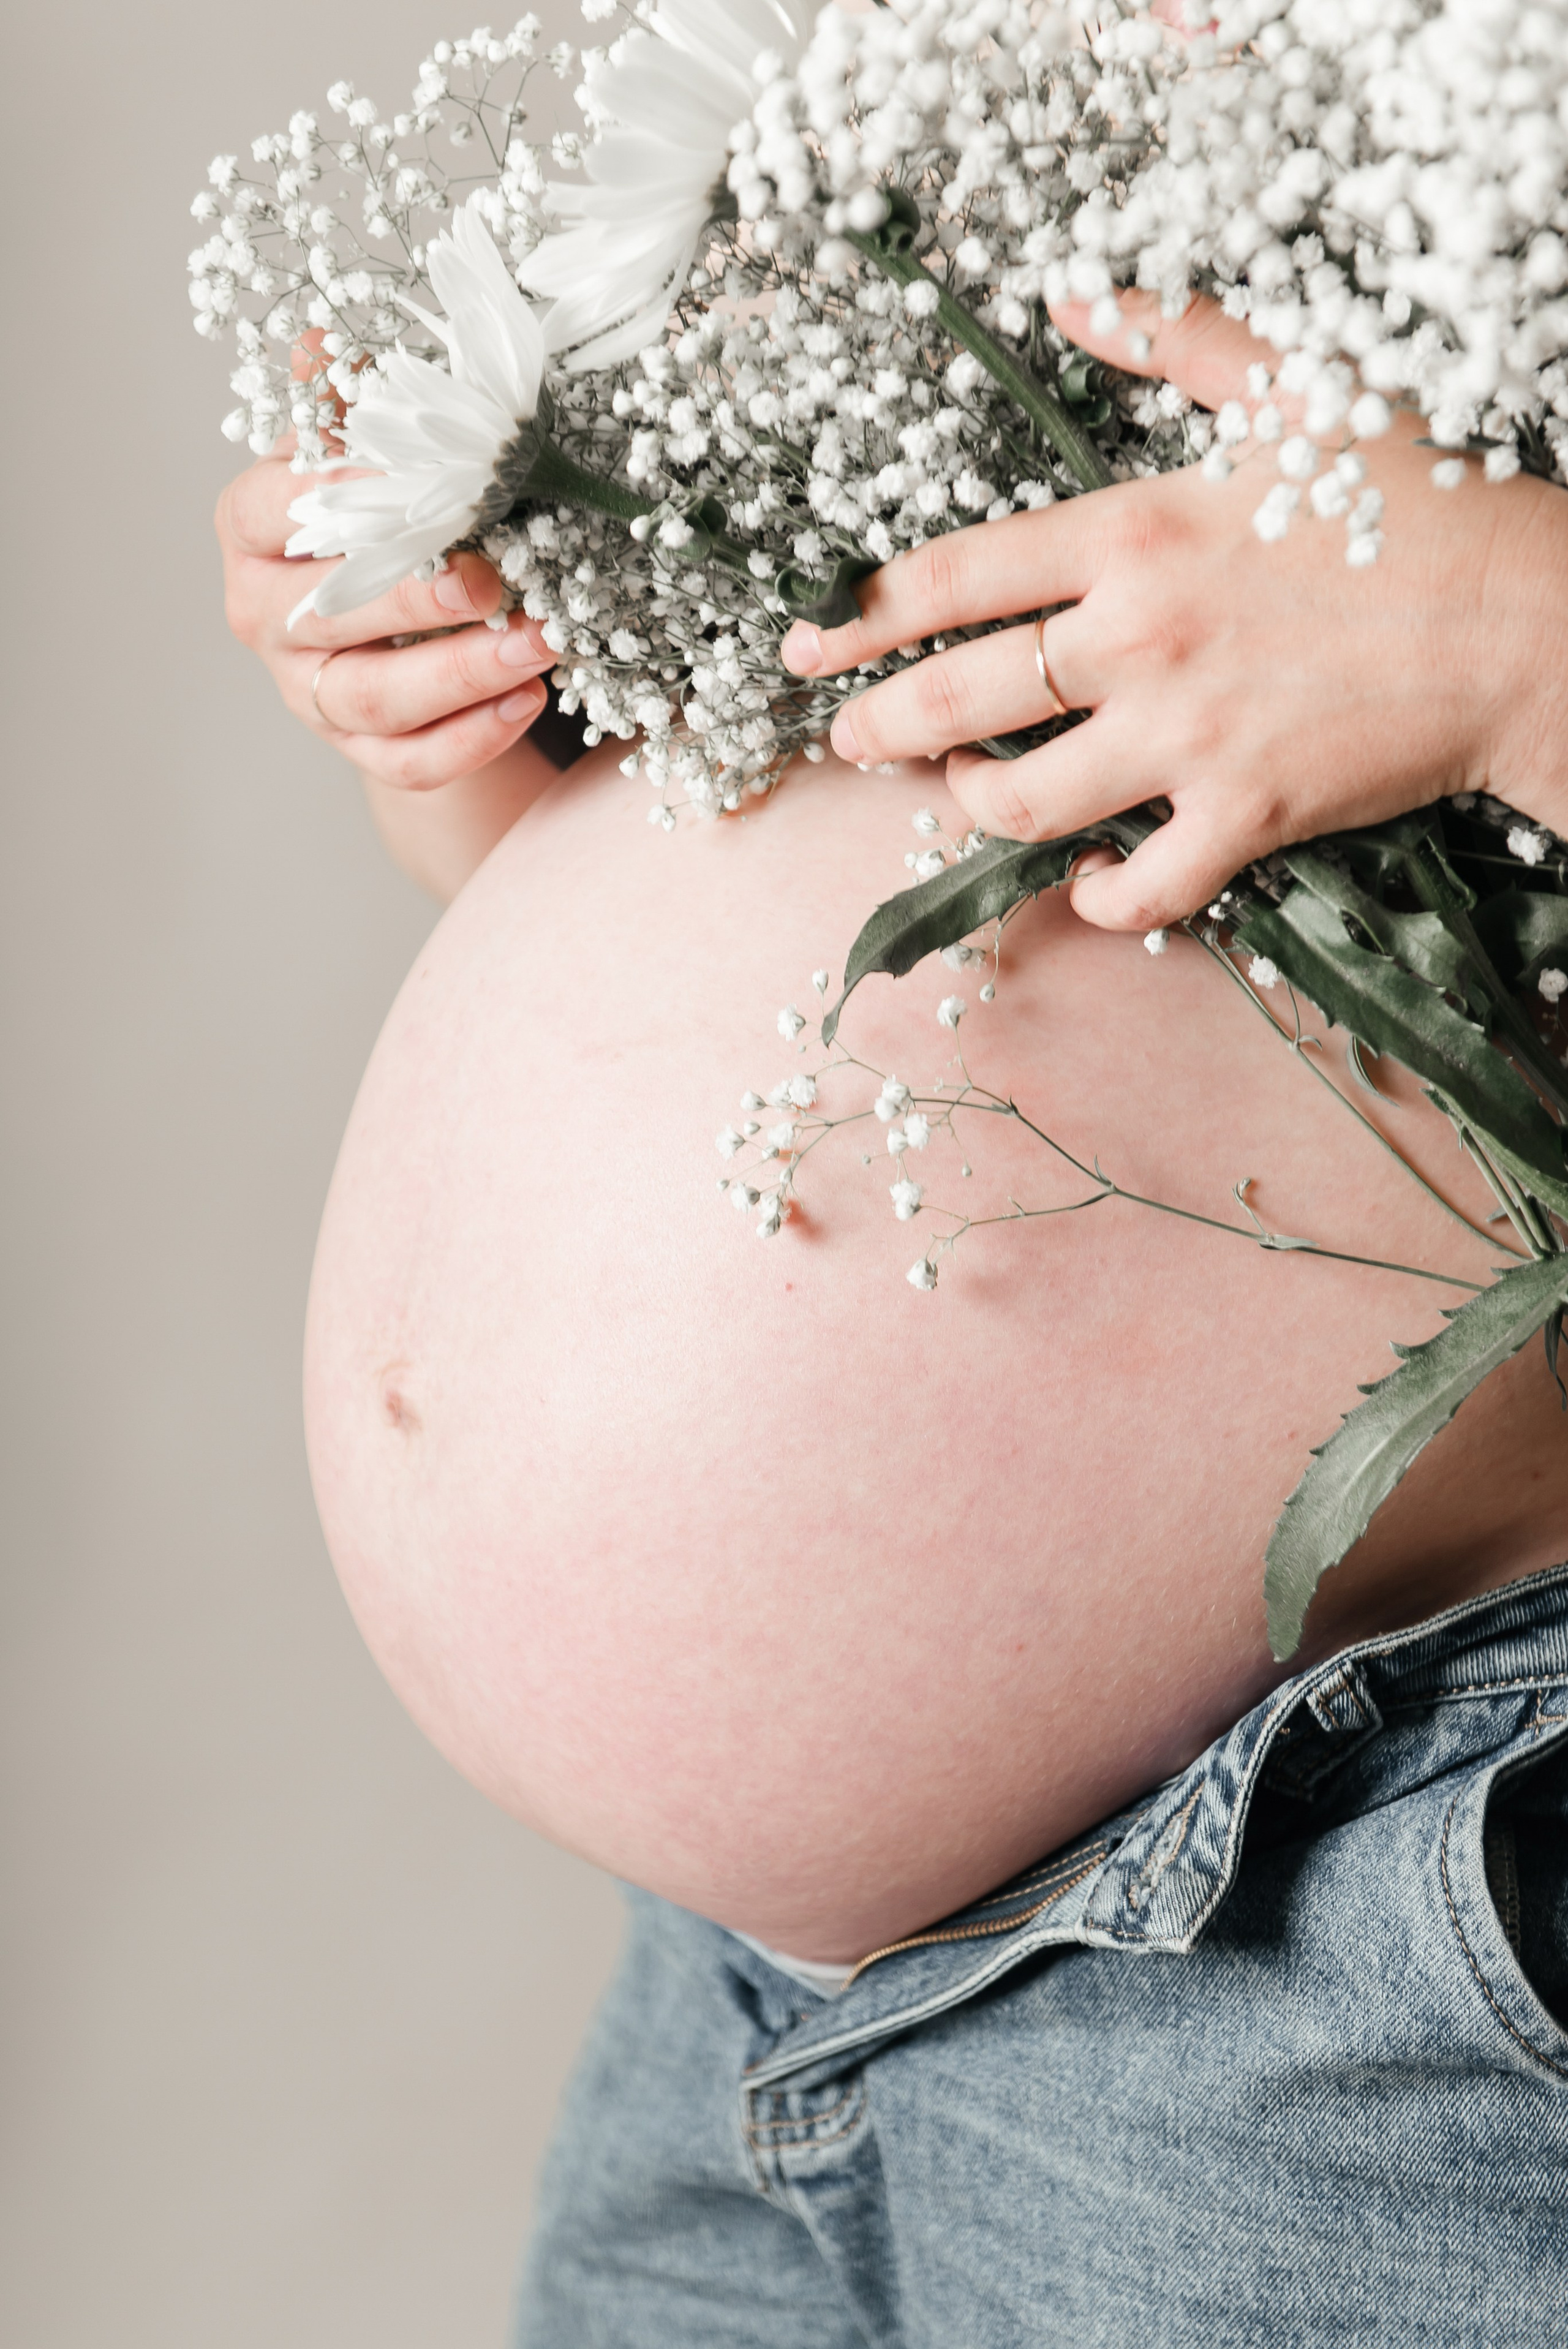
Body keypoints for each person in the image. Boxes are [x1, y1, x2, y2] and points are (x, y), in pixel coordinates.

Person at [218, 293, 1568, 2342]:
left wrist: (1518, 644)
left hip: (1353, 1937)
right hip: (740, 1976)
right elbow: (812, 845)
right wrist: (463, 681)